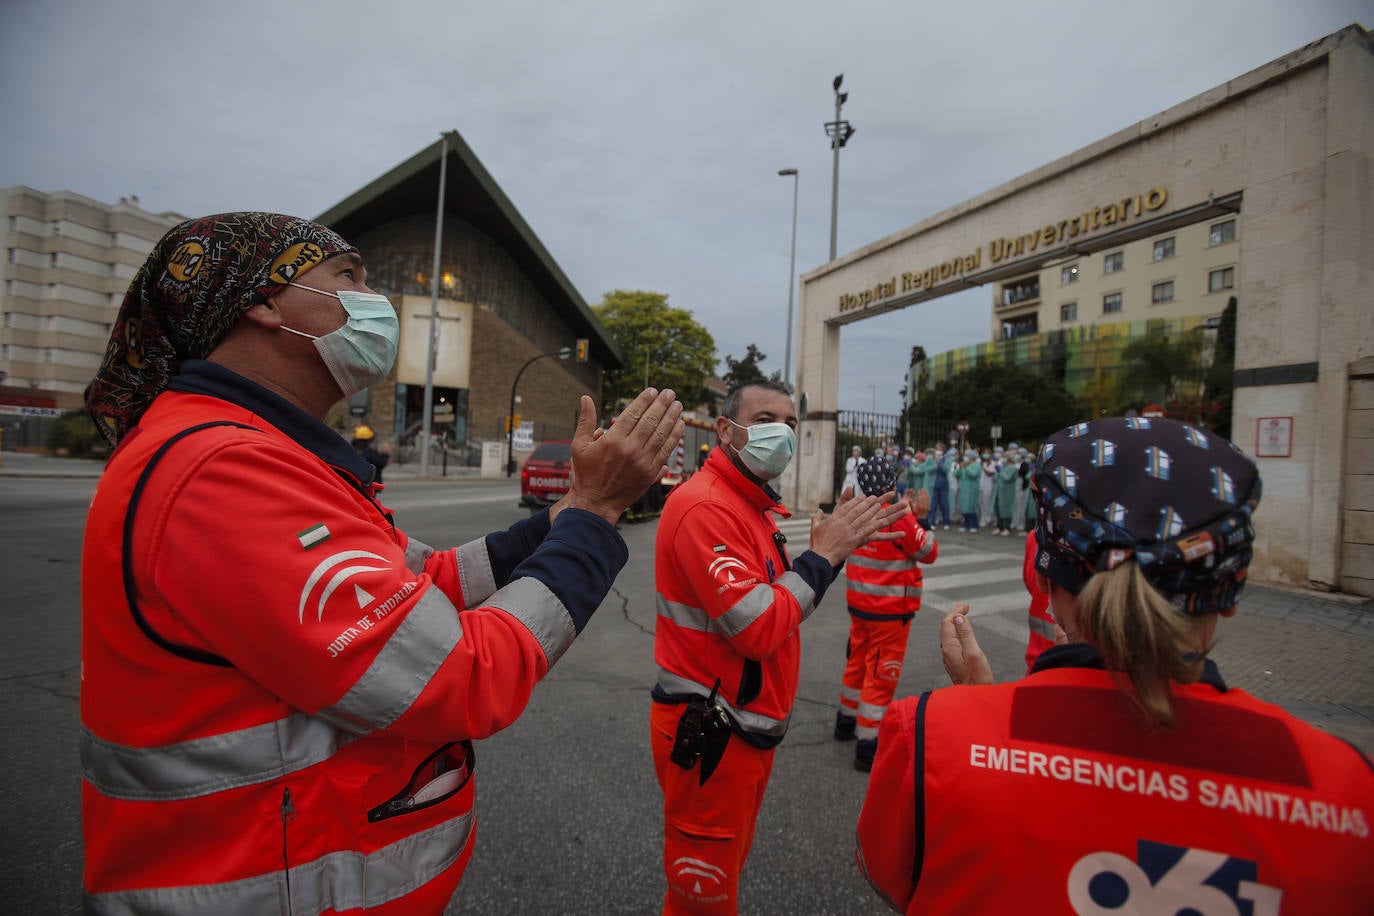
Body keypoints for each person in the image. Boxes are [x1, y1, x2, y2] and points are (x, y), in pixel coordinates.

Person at [79, 212, 685, 914]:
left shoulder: (266, 453)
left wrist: (571, 508)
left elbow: (430, 585)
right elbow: (458, 675)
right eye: (349, 278)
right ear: (264, 303)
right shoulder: (221, 469)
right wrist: (595, 515)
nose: (379, 301)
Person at [855, 417, 1374, 912]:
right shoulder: (1347, 795)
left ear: (1049, 585)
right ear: (1228, 595)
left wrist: (973, 712)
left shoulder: (932, 736)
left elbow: (895, 879)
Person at [650, 380, 907, 914]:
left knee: (722, 875)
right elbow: (758, 627)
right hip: (713, 731)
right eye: (766, 418)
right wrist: (824, 558)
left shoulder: (753, 507)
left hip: (741, 727)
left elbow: (776, 600)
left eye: (790, 424)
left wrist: (821, 554)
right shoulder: (706, 507)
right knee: (703, 898)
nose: (783, 434)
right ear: (726, 429)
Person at [833, 457, 936, 771]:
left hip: (860, 606)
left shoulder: (857, 512)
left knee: (856, 664)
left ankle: (845, 722)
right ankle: (868, 744)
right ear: (890, 484)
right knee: (880, 678)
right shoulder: (898, 515)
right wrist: (922, 519)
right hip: (890, 612)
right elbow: (928, 552)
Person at [927, 445, 952, 530]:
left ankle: (946, 522)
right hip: (933, 486)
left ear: (943, 451)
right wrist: (935, 465)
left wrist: (940, 464)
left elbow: (947, 470)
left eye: (940, 449)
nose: (938, 451)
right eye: (936, 449)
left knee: (944, 504)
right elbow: (928, 470)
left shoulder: (946, 460)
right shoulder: (931, 459)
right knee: (933, 505)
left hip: (943, 486)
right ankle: (931, 522)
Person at [957, 450, 981, 531]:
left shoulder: (977, 466)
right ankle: (966, 524)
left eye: (967, 455)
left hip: (972, 490)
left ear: (972, 457)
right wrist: (960, 468)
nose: (965, 457)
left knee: (971, 507)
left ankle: (974, 525)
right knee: (964, 507)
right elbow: (957, 474)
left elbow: (973, 474)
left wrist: (965, 467)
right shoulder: (964, 465)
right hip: (964, 489)